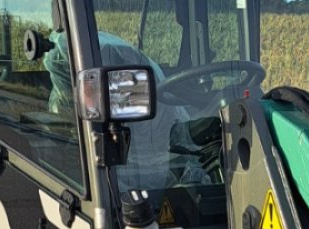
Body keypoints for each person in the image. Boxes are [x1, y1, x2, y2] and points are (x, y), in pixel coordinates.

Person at [44, 30, 209, 192]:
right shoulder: (75, 124)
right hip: (118, 192)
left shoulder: (156, 107)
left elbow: (167, 148)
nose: (122, 87)